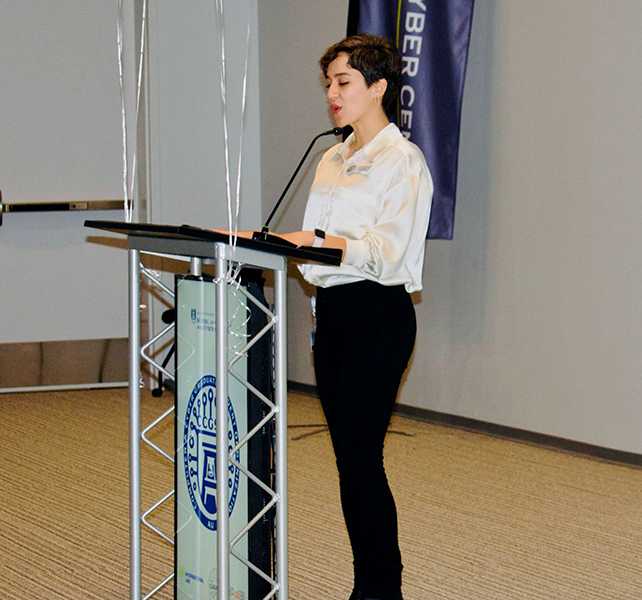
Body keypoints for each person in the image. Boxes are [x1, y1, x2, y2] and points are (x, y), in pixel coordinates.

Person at [222, 33, 433, 600]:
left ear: (378, 87)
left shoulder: (403, 162)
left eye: (344, 84)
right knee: (348, 459)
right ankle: (371, 583)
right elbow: (313, 247)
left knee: (362, 455)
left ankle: (381, 588)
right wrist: (267, 243)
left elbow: (388, 250)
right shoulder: (330, 157)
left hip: (379, 311)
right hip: (334, 311)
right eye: (329, 85)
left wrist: (322, 244)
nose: (333, 96)